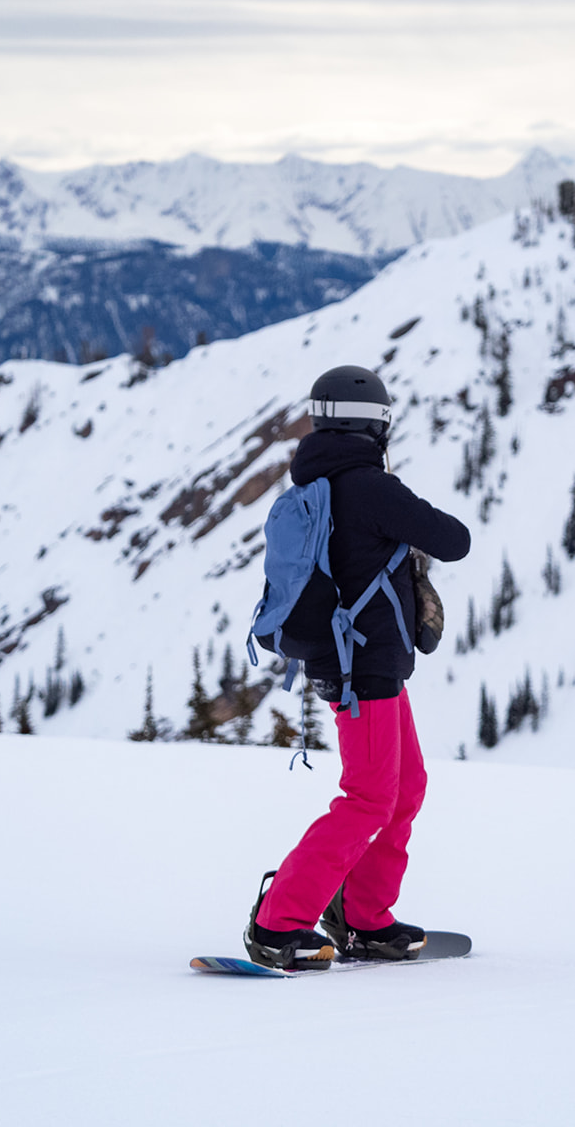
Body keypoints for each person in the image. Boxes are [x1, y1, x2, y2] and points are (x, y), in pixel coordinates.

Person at [245, 364, 471, 969]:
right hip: (361, 667)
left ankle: (364, 917)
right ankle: (278, 923)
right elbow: (454, 539)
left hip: (365, 662)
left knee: (406, 787)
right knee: (370, 797)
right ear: (377, 425)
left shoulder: (316, 484)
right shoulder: (370, 487)